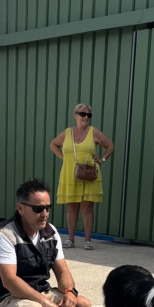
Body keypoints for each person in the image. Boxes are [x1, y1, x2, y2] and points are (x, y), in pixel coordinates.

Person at [0, 178, 92, 307]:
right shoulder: (3, 235)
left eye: (47, 208)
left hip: (40, 291)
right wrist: (44, 302)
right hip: (6, 298)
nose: (44, 213)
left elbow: (62, 270)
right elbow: (10, 281)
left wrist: (69, 292)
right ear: (20, 208)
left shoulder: (51, 232)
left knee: (83, 305)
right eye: (38, 209)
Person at [49, 103, 115, 251]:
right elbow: (53, 144)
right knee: (71, 206)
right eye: (82, 114)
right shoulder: (67, 133)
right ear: (75, 115)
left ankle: (87, 240)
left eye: (88, 115)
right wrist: (63, 157)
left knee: (87, 207)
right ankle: (70, 239)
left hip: (89, 173)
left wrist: (102, 159)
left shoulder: (94, 132)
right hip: (69, 172)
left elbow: (110, 145)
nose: (85, 117)